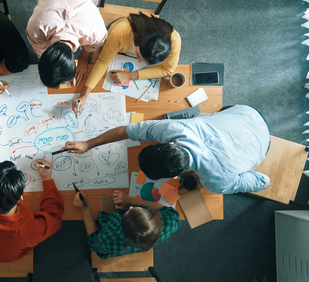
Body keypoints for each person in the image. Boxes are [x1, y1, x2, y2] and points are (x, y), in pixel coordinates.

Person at [62, 105, 271, 194]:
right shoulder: (176, 128)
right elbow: (128, 130)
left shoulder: (218, 182)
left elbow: (264, 181)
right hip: (247, 114)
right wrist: (88, 144)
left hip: (261, 137)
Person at [72, 12, 181, 115]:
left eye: (143, 61)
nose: (139, 61)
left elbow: (168, 70)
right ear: (139, 42)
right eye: (138, 55)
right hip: (118, 44)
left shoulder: (174, 41)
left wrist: (131, 75)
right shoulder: (120, 33)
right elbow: (102, 62)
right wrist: (84, 95)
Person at [0, 159, 64, 262]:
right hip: (6, 256)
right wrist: (46, 178)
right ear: (20, 197)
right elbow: (54, 217)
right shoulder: (27, 230)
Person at [74, 190, 179, 259]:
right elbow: (168, 211)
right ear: (151, 216)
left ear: (121, 226)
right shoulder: (168, 223)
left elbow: (94, 243)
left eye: (129, 211)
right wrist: (130, 200)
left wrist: (84, 209)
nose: (130, 207)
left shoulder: (109, 237)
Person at [26, 0, 107, 88]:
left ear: (75, 62)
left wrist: (83, 58)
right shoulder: (35, 30)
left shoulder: (96, 34)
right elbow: (43, 56)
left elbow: (93, 45)